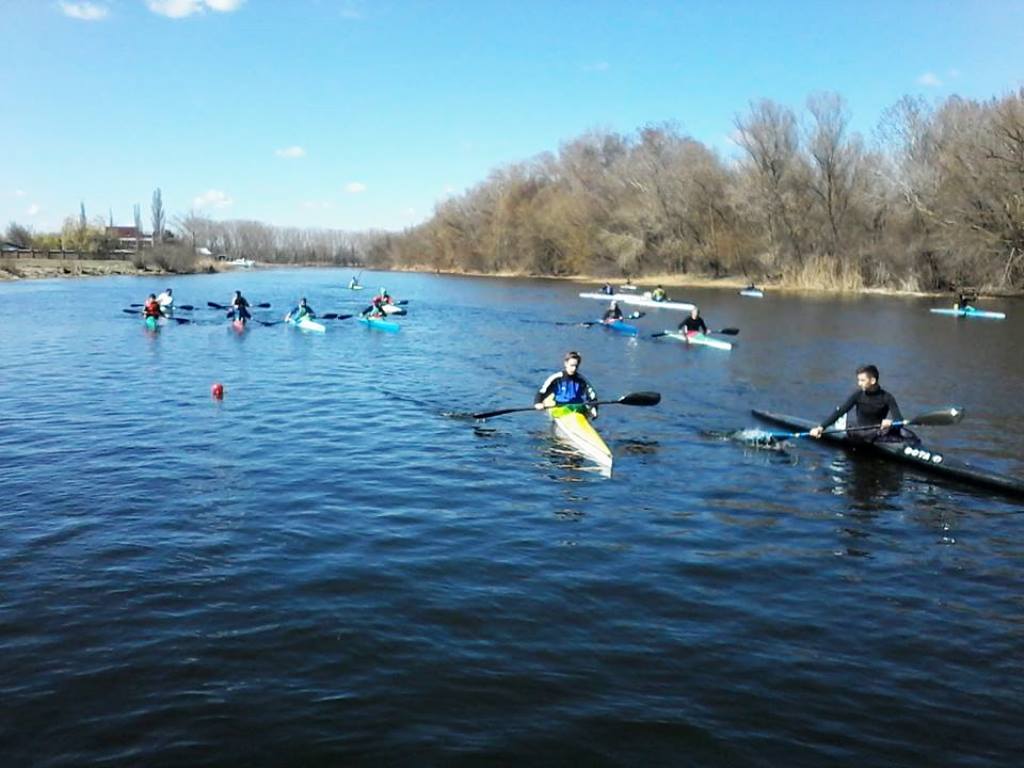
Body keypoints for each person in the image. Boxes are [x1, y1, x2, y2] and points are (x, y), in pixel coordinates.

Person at [809, 365, 916, 444]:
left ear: (873, 380)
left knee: (907, 434)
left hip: (879, 432)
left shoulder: (887, 397)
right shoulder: (857, 395)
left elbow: (899, 420)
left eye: (862, 380)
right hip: (860, 433)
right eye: (858, 380)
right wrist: (821, 428)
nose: (859, 383)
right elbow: (840, 412)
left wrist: (891, 422)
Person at [534, 351, 599, 419]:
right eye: (572, 365)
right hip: (560, 408)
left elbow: (592, 396)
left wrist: (594, 408)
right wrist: (537, 403)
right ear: (566, 363)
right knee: (572, 408)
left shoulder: (582, 380)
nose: (574, 369)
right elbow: (541, 392)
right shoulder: (556, 378)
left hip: (578, 409)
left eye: (576, 366)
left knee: (582, 407)